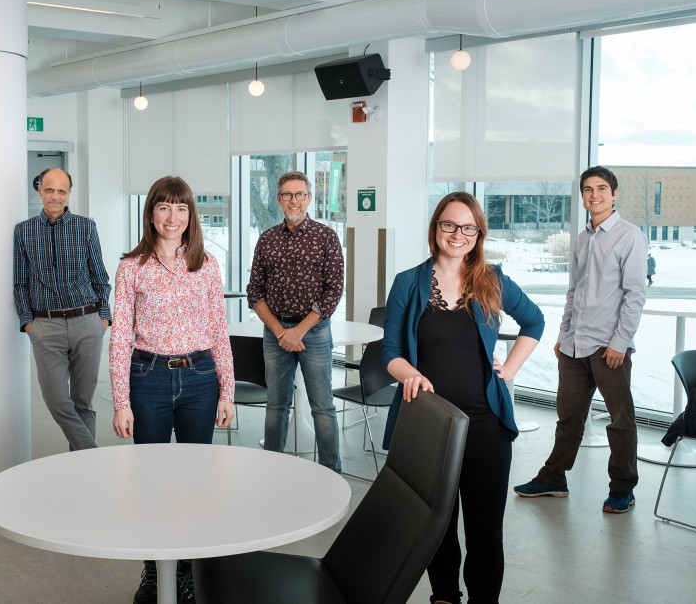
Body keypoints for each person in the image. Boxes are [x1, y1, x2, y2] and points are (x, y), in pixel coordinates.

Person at [381, 192, 543, 604]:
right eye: (449, 225)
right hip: (430, 424)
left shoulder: (492, 280)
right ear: (436, 228)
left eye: (468, 227)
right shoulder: (408, 282)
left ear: (478, 234)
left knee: (486, 532)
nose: (457, 234)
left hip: (485, 425)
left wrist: (509, 369)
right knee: (437, 526)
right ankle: (444, 598)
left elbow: (535, 320)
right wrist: (410, 372)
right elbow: (390, 354)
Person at [109, 176, 236, 604]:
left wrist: (227, 392)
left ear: (190, 216)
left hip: (201, 378)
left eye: (181, 208)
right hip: (149, 378)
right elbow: (121, 336)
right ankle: (153, 571)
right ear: (151, 213)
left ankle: (187, 571)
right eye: (164, 207)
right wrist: (121, 401)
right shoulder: (132, 267)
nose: (172, 217)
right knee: (151, 482)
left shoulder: (207, 264)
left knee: (195, 482)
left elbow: (220, 332)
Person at [515, 166, 647, 514]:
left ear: (614, 194)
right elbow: (574, 291)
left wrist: (621, 341)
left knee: (620, 421)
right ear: (582, 195)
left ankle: (622, 488)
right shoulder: (583, 237)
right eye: (588, 189)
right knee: (569, 418)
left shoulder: (630, 236)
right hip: (574, 347)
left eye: (602, 188)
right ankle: (553, 478)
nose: (595, 195)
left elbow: (635, 294)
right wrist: (563, 335)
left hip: (608, 347)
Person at [246, 170, 345, 472]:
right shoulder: (267, 239)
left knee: (323, 407)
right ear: (278, 199)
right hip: (275, 333)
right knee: (276, 406)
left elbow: (334, 290)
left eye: (299, 194)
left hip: (313, 333)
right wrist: (280, 331)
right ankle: (273, 469)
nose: (293, 200)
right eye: (287, 194)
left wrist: (299, 331)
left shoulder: (326, 237)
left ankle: (332, 472)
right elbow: (254, 291)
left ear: (309, 198)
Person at [13, 167, 111, 452]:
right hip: (46, 326)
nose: (55, 196)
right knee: (57, 401)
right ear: (40, 190)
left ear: (69, 193)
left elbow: (100, 276)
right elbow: (20, 283)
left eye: (62, 191)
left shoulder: (85, 227)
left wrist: (103, 318)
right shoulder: (24, 231)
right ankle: (91, 456)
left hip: (87, 322)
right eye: (49, 189)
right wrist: (28, 323)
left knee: (83, 402)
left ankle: (81, 471)